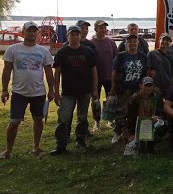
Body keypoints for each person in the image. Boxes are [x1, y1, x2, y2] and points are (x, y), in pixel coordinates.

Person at [0, 21, 55, 159]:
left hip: (38, 93)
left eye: (34, 31)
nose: (31, 33)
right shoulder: (13, 49)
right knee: (14, 122)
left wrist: (51, 90)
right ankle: (8, 150)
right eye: (28, 31)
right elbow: (6, 71)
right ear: (23, 32)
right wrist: (4, 90)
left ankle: (36, 147)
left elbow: (49, 72)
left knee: (38, 119)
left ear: (37, 33)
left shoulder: (43, 51)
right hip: (19, 93)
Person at [50, 26, 98, 155]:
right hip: (68, 92)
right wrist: (56, 92)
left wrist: (94, 91)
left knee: (82, 118)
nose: (75, 37)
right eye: (73, 34)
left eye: (77, 34)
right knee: (64, 118)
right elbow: (57, 73)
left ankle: (80, 141)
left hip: (84, 91)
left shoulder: (88, 51)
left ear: (81, 36)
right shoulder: (62, 52)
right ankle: (61, 144)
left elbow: (94, 71)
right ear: (68, 36)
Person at [110, 34, 147, 144]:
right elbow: (114, 72)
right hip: (124, 88)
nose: (132, 44)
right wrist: (113, 87)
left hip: (138, 88)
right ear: (126, 44)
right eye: (130, 42)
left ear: (138, 44)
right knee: (121, 112)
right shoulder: (121, 56)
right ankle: (117, 132)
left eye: (134, 42)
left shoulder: (142, 56)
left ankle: (134, 132)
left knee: (135, 111)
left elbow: (146, 72)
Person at [124, 76, 165, 155]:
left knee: (165, 123)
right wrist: (129, 135)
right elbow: (122, 118)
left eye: (150, 86)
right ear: (140, 86)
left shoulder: (157, 98)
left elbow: (162, 113)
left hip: (152, 126)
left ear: (153, 87)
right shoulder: (133, 99)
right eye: (146, 85)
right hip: (135, 127)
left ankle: (155, 142)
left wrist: (158, 117)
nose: (148, 88)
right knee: (138, 149)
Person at [90, 19, 118, 131]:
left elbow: (116, 59)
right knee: (95, 100)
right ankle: (96, 122)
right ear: (96, 29)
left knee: (110, 99)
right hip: (95, 77)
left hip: (109, 76)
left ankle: (110, 120)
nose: (103, 30)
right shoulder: (91, 43)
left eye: (105, 28)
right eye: (101, 28)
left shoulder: (111, 42)